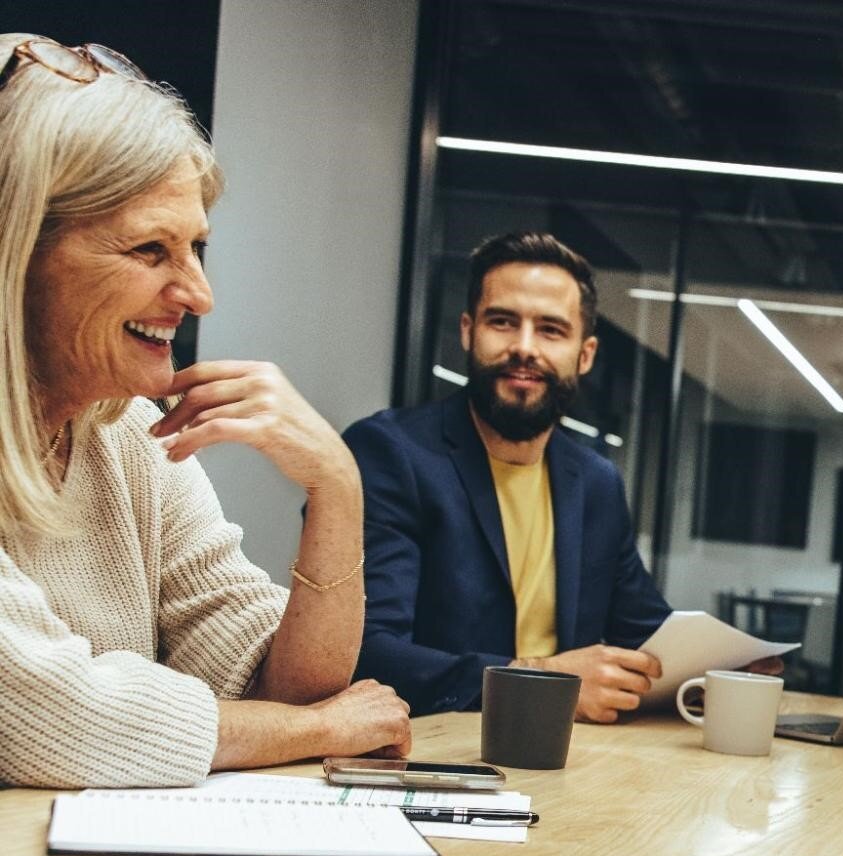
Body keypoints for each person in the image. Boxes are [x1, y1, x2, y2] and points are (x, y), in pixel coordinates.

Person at [0, 34, 411, 788]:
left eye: (196, 247)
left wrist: (336, 487)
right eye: (150, 250)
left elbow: (273, 686)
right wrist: (318, 730)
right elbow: (49, 717)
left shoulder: (126, 432)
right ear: (19, 252)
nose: (198, 294)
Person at [347, 233, 675, 720]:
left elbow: (648, 636)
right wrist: (544, 684)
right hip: (436, 752)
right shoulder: (390, 453)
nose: (524, 347)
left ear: (584, 355)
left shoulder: (595, 481)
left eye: (550, 330)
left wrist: (724, 667)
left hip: (564, 754)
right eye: (502, 322)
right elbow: (367, 651)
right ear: (467, 331)